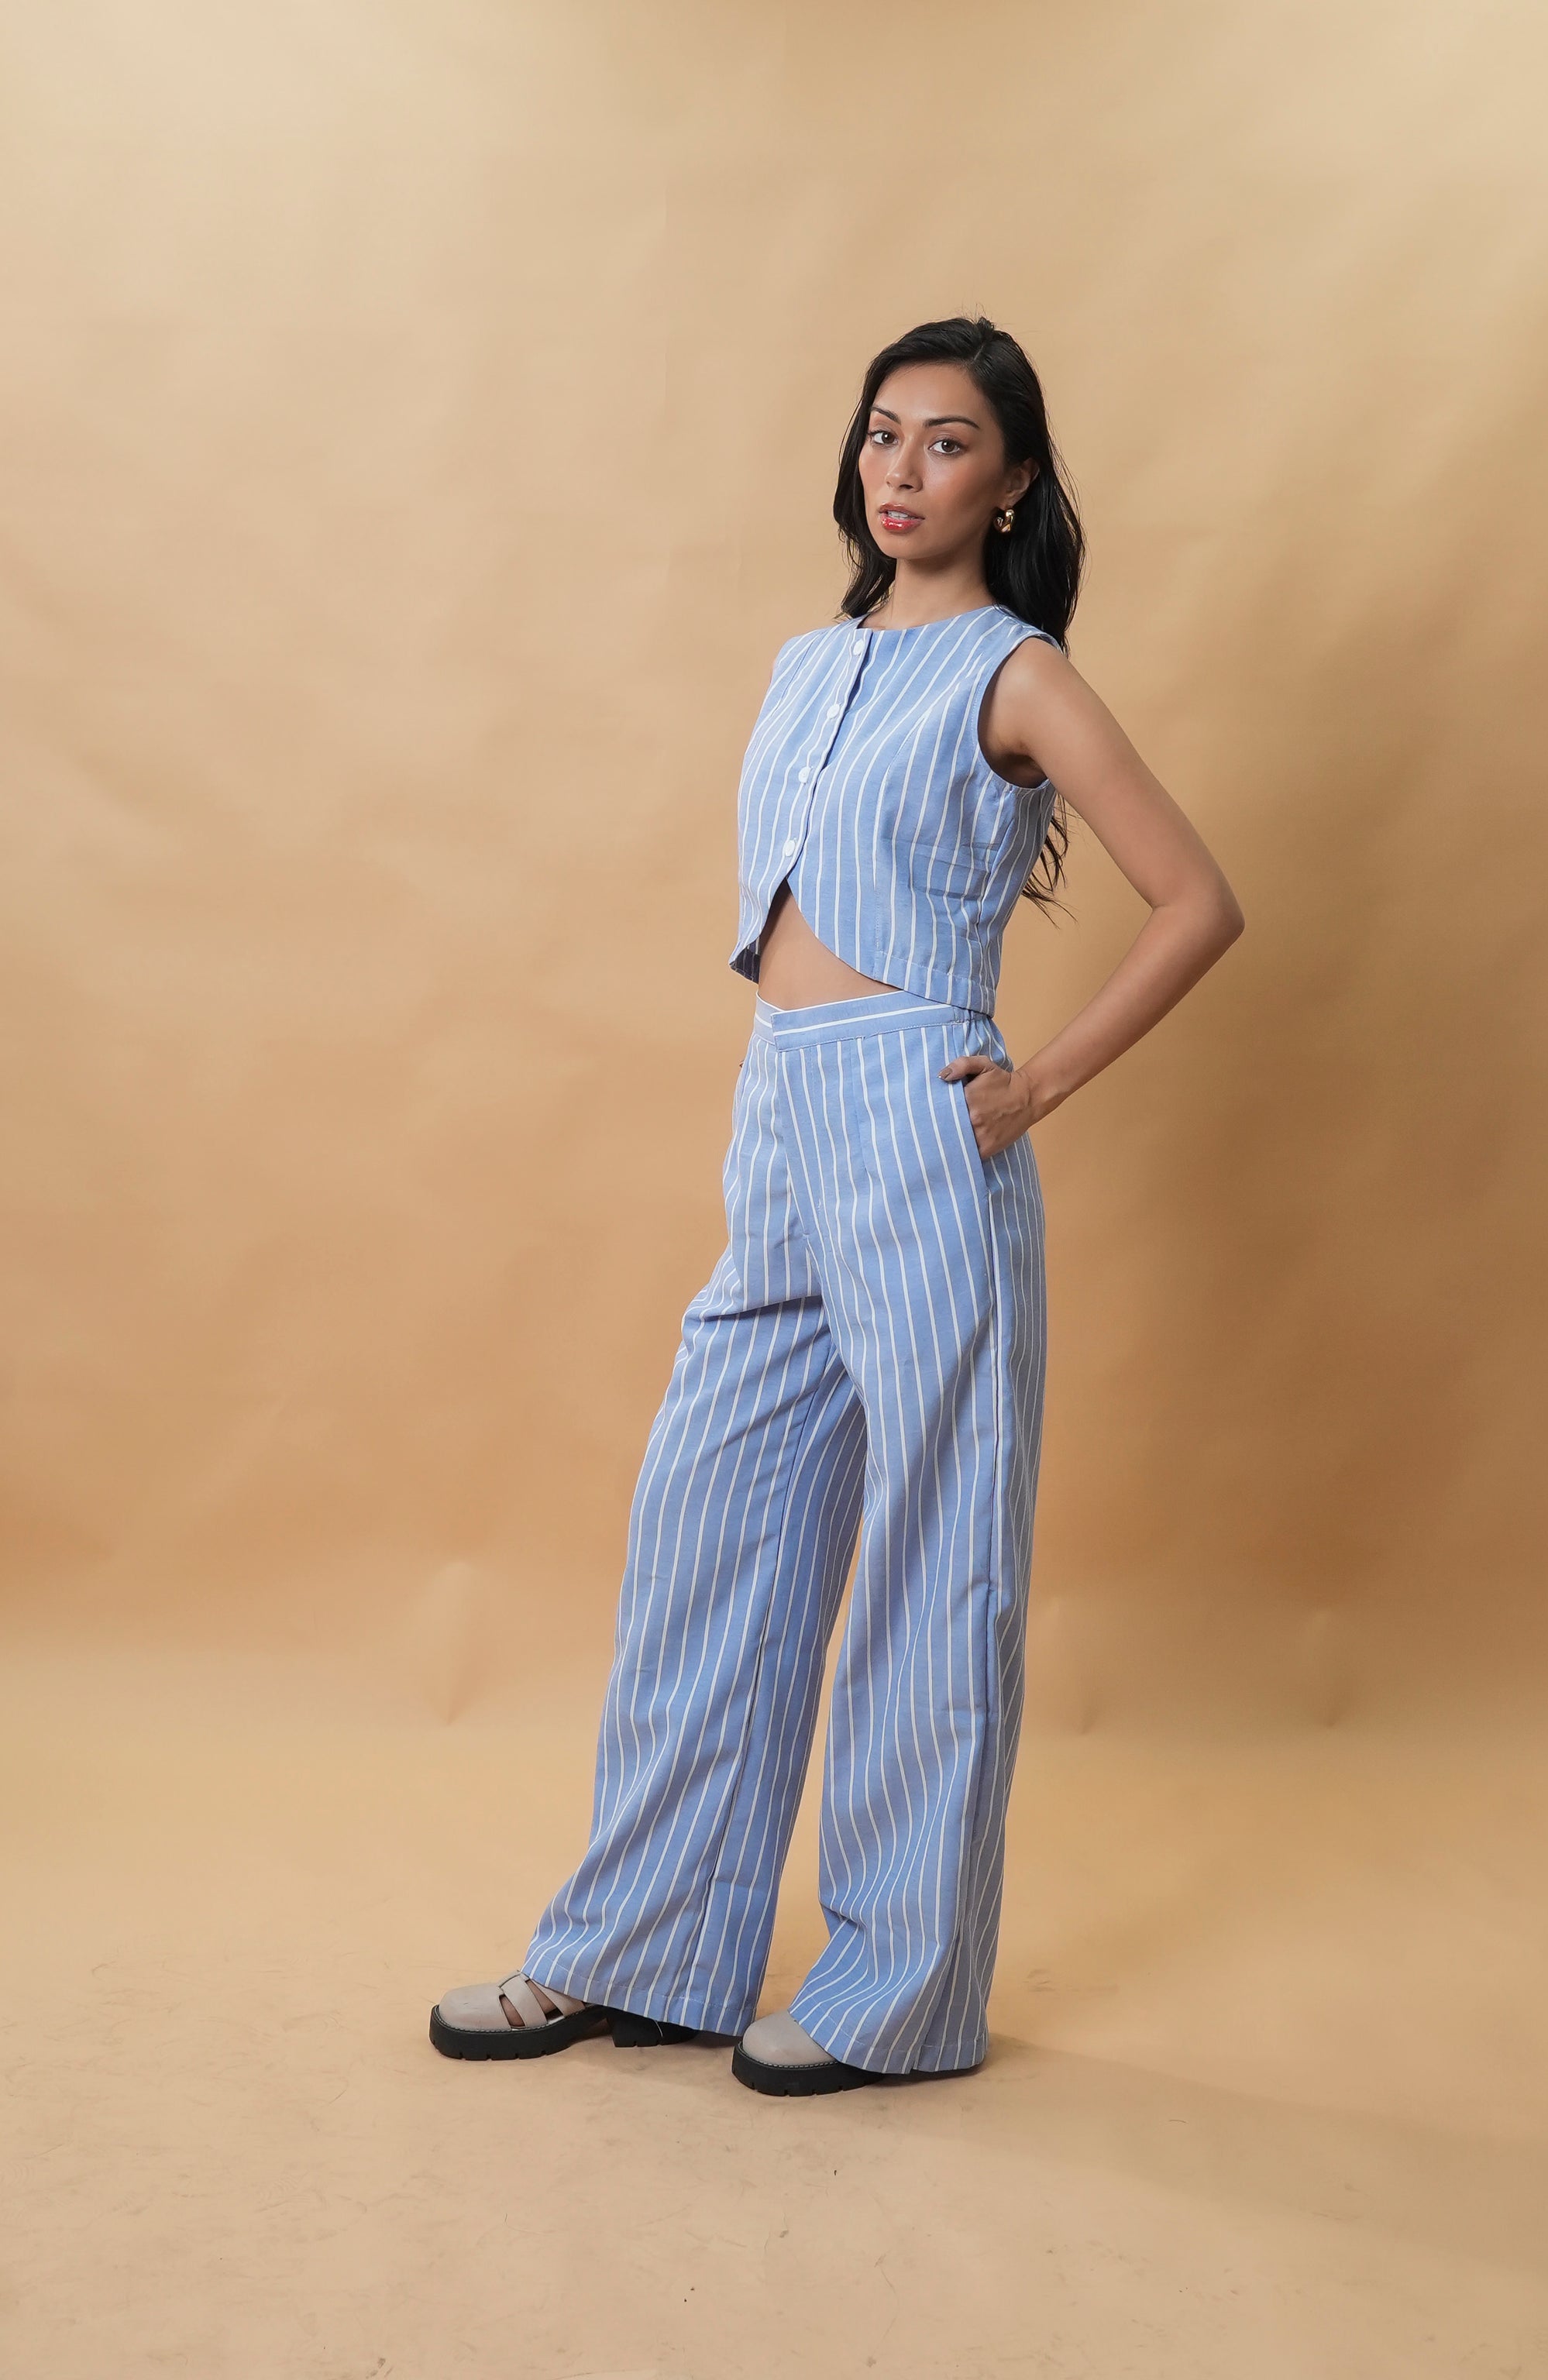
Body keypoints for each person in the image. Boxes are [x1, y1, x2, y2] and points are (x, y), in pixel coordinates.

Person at [430, 314, 1244, 2096]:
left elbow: (1197, 900)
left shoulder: (1017, 674)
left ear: (1010, 482)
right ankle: (645, 1952)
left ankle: (898, 1997)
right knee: (708, 1527)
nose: (902, 469)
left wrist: (1033, 1086)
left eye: (947, 442)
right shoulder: (810, 661)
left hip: (921, 1110)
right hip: (781, 1104)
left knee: (938, 1562)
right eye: (883, 432)